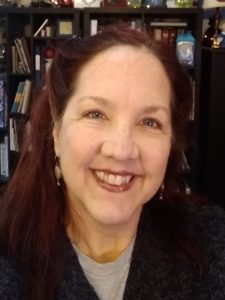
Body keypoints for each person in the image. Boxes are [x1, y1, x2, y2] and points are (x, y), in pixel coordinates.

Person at [0, 26, 225, 300]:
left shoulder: (213, 242)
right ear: (56, 130)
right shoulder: (9, 260)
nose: (121, 150)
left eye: (149, 122)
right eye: (95, 114)